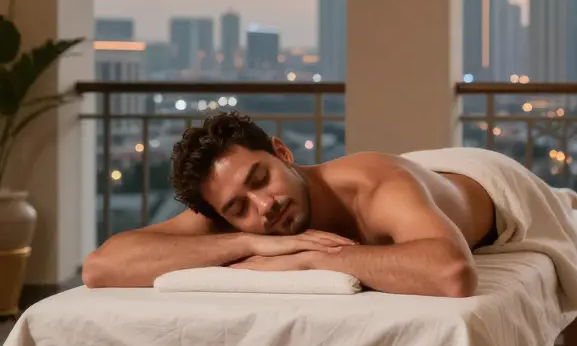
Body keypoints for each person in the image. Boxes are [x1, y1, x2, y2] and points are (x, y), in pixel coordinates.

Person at [82, 111, 497, 297]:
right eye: (238, 209)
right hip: (424, 190)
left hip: (486, 183)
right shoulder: (237, 213)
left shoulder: (374, 186)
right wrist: (250, 245)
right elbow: (101, 267)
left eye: (261, 179)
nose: (264, 206)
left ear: (282, 152)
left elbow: (452, 273)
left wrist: (311, 258)